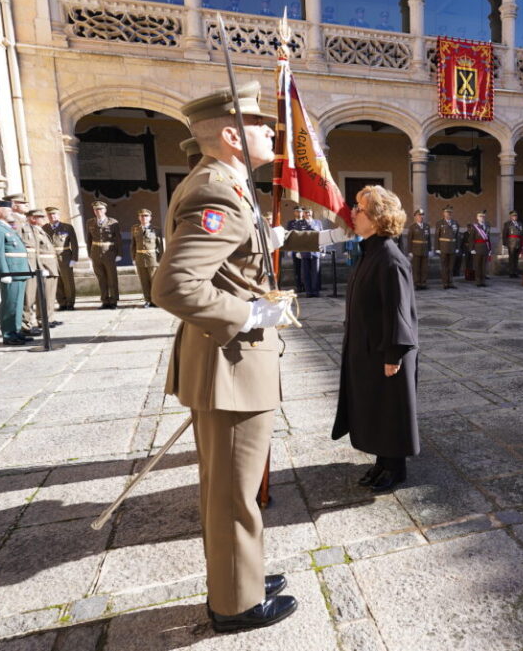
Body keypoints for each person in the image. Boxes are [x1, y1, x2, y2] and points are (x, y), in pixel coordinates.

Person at [151, 80, 348, 633]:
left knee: (231, 487)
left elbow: (234, 258)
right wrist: (250, 314)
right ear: (233, 136)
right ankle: (236, 603)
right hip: (231, 363)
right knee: (233, 493)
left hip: (228, 364)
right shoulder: (217, 193)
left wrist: (276, 239)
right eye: (261, 125)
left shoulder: (227, 186)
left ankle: (243, 575)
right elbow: (174, 286)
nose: (271, 132)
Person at [334, 185, 419, 493]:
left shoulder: (389, 258)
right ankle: (382, 462)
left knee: (389, 408)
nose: (353, 213)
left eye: (359, 209)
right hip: (368, 348)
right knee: (375, 406)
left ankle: (395, 468)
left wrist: (392, 354)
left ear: (377, 218)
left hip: (386, 351)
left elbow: (398, 311)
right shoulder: (371, 251)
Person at [0, 199, 32, 346]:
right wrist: (4, 273)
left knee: (18, 304)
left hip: (19, 271)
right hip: (11, 272)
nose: (11, 212)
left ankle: (16, 331)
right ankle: (8, 334)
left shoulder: (7, 227)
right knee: (10, 304)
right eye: (8, 210)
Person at [20, 209, 59, 333]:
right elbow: (34, 252)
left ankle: (47, 319)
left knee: (49, 295)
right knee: (32, 297)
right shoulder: (31, 230)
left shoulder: (39, 230)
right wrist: (40, 267)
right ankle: (35, 322)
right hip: (41, 266)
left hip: (49, 266)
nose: (44, 219)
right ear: (33, 218)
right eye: (40, 217)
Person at [86, 200, 122, 308]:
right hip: (95, 253)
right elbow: (89, 239)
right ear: (94, 211)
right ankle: (105, 300)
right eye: (96, 209)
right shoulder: (90, 222)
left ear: (105, 210)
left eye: (100, 209)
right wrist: (89, 253)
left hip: (109, 252)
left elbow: (118, 239)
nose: (98, 211)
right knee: (101, 278)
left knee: (112, 277)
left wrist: (119, 254)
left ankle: (114, 300)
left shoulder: (113, 222)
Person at [43, 207, 78, 310]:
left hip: (65, 256)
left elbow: (74, 244)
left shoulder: (67, 227)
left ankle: (70, 302)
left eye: (54, 214)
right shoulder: (44, 228)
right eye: (50, 214)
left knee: (68, 281)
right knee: (56, 280)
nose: (52, 216)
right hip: (51, 258)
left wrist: (74, 258)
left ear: (58, 215)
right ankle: (62, 302)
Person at [131, 209, 164, 307]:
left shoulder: (156, 230)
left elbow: (160, 246)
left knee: (154, 280)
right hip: (140, 258)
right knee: (144, 280)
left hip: (152, 258)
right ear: (139, 217)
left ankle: (155, 300)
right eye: (141, 216)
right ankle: (148, 300)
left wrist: (161, 259)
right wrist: (133, 258)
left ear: (150, 218)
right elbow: (133, 245)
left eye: (146, 216)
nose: (144, 218)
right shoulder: (135, 229)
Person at [463, 210, 492, 287]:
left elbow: (488, 238)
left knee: (484, 266)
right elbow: (471, 239)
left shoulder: (487, 226)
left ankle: (483, 281)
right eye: (480, 216)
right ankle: (478, 281)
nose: (482, 218)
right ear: (477, 218)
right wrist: (472, 249)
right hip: (477, 248)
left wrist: (490, 249)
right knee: (478, 266)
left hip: (485, 248)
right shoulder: (474, 227)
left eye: (483, 216)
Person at [434, 206, 460, 289]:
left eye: (450, 213)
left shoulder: (455, 223)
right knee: (444, 266)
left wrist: (457, 247)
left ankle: (451, 282)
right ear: (444, 213)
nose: (448, 214)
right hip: (443, 247)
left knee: (451, 267)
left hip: (452, 247)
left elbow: (457, 236)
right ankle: (445, 283)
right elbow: (437, 236)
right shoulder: (439, 223)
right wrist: (437, 248)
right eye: (447, 212)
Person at [407, 209, 431, 290]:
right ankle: (417, 283)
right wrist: (410, 251)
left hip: (425, 250)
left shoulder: (427, 226)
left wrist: (430, 249)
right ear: (415, 217)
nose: (421, 217)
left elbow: (429, 239)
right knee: (416, 268)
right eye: (419, 215)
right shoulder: (412, 227)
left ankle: (423, 283)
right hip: (416, 250)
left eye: (422, 215)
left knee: (424, 268)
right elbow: (409, 240)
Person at [302, 208, 323, 296]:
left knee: (316, 272)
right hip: (304, 251)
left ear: (312, 212)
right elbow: (296, 238)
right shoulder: (300, 223)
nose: (308, 213)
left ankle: (315, 291)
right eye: (306, 212)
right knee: (306, 273)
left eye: (309, 211)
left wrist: (323, 250)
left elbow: (322, 235)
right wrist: (297, 251)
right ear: (303, 213)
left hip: (316, 250)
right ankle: (308, 292)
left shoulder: (318, 222)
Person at [285, 206, 307, 293]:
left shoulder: (306, 222)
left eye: (300, 211)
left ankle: (306, 286)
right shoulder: (291, 223)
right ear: (294, 212)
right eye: (297, 211)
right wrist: (289, 249)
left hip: (304, 248)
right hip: (295, 248)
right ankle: (298, 286)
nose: (299, 213)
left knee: (305, 269)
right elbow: (288, 236)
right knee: (297, 268)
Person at [503, 210, 523, 278]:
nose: (515, 217)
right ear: (511, 217)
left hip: (518, 242)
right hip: (511, 243)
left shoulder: (519, 223)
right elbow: (505, 234)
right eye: (513, 216)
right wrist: (505, 243)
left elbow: (521, 234)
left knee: (516, 258)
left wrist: (522, 243)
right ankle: (511, 272)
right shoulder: (507, 224)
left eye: (516, 216)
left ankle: (515, 272)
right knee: (511, 258)